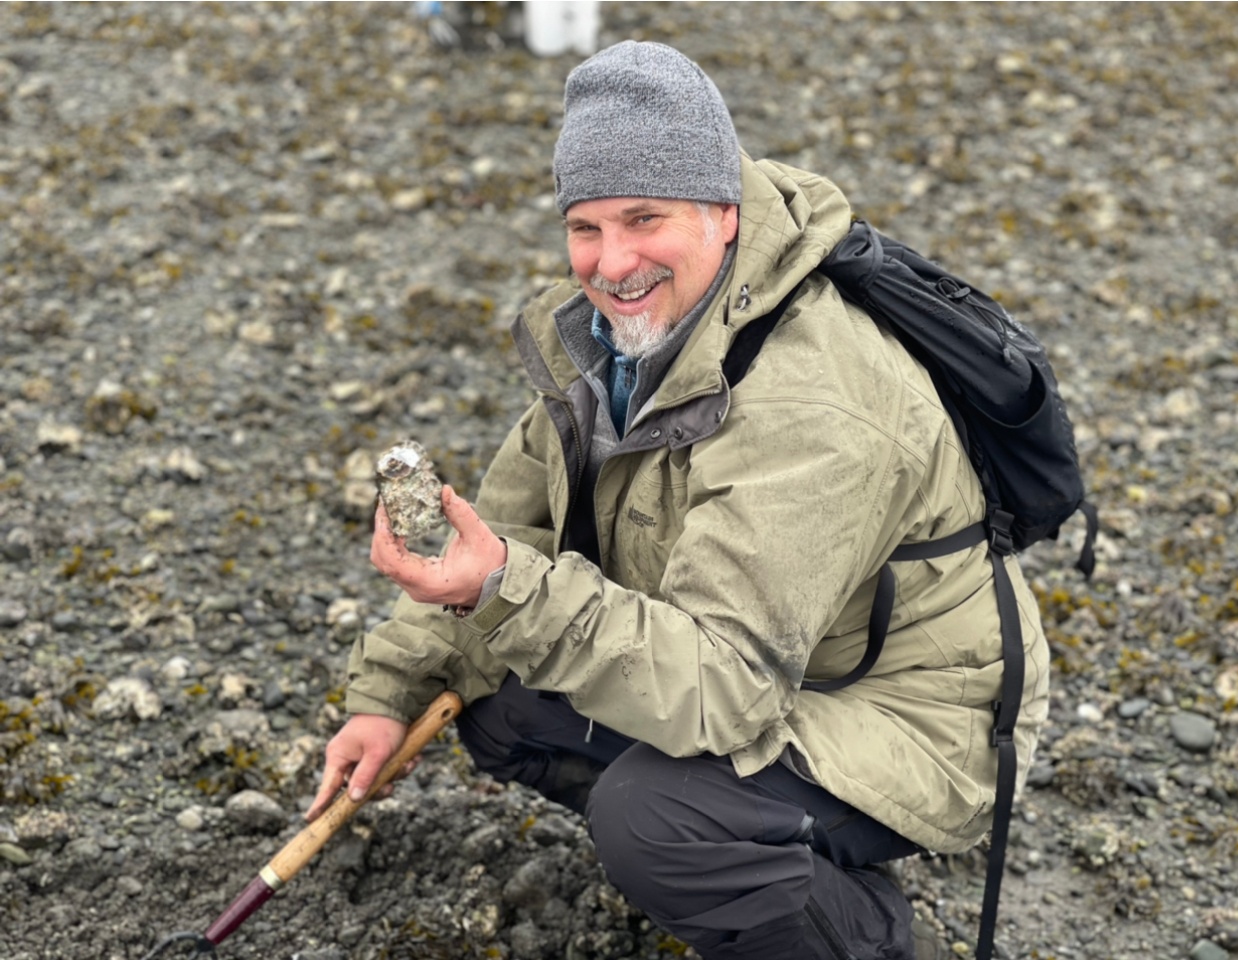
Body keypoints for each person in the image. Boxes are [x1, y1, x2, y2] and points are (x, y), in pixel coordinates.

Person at [306, 40, 1049, 960]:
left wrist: (501, 587)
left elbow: (729, 687)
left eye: (644, 218)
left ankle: (847, 924)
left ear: (723, 213)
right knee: (499, 697)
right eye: (586, 227)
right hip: (762, 659)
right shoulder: (613, 340)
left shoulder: (813, 401)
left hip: (910, 715)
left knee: (655, 820)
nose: (612, 262)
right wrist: (391, 695)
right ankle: (767, 853)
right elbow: (510, 529)